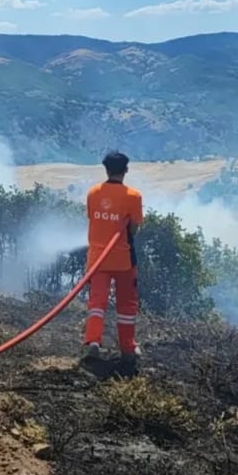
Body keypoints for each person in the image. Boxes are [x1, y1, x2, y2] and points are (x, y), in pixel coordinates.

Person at [82, 151, 144, 374]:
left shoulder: (93, 193)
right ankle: (128, 348)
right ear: (125, 170)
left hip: (97, 260)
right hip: (124, 260)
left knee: (96, 302)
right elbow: (134, 228)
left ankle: (93, 342)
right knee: (126, 305)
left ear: (105, 169)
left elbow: (93, 218)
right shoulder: (134, 196)